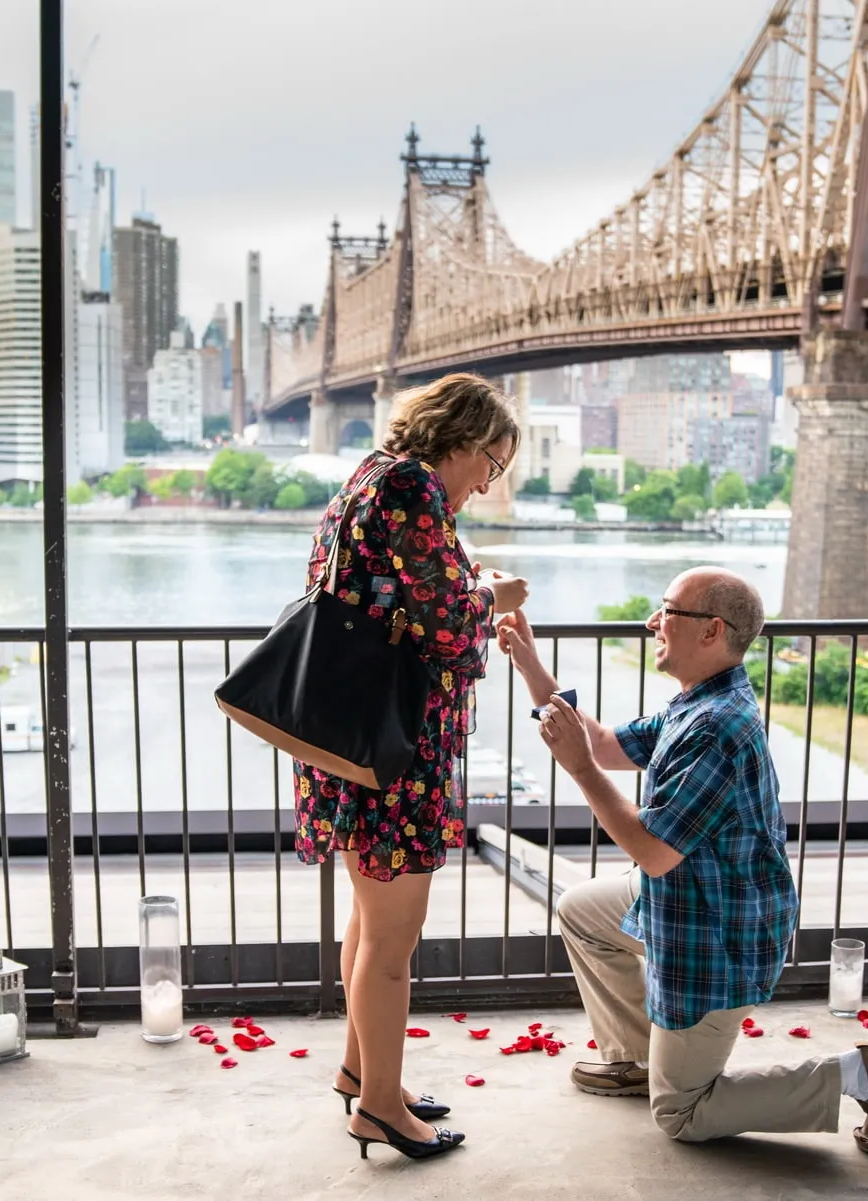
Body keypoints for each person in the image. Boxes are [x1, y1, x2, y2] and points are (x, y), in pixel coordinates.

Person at [496, 567, 868, 1155]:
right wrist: (531, 665)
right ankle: (640, 1060)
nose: (652, 622)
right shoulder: (698, 703)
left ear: (711, 630)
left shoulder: (717, 727)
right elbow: (605, 745)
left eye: (667, 611)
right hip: (688, 900)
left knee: (680, 1114)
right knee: (582, 911)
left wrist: (579, 770)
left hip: (718, 936)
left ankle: (859, 1073)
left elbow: (652, 852)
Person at [294, 373, 528, 1163]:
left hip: (359, 740)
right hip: (394, 754)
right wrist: (495, 596)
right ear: (462, 439)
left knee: (370, 923)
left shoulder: (372, 475)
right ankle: (380, 1109)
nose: (487, 484)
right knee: (393, 941)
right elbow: (449, 630)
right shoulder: (412, 488)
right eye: (492, 463)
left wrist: (468, 589)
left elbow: (400, 599)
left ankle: (362, 1071)